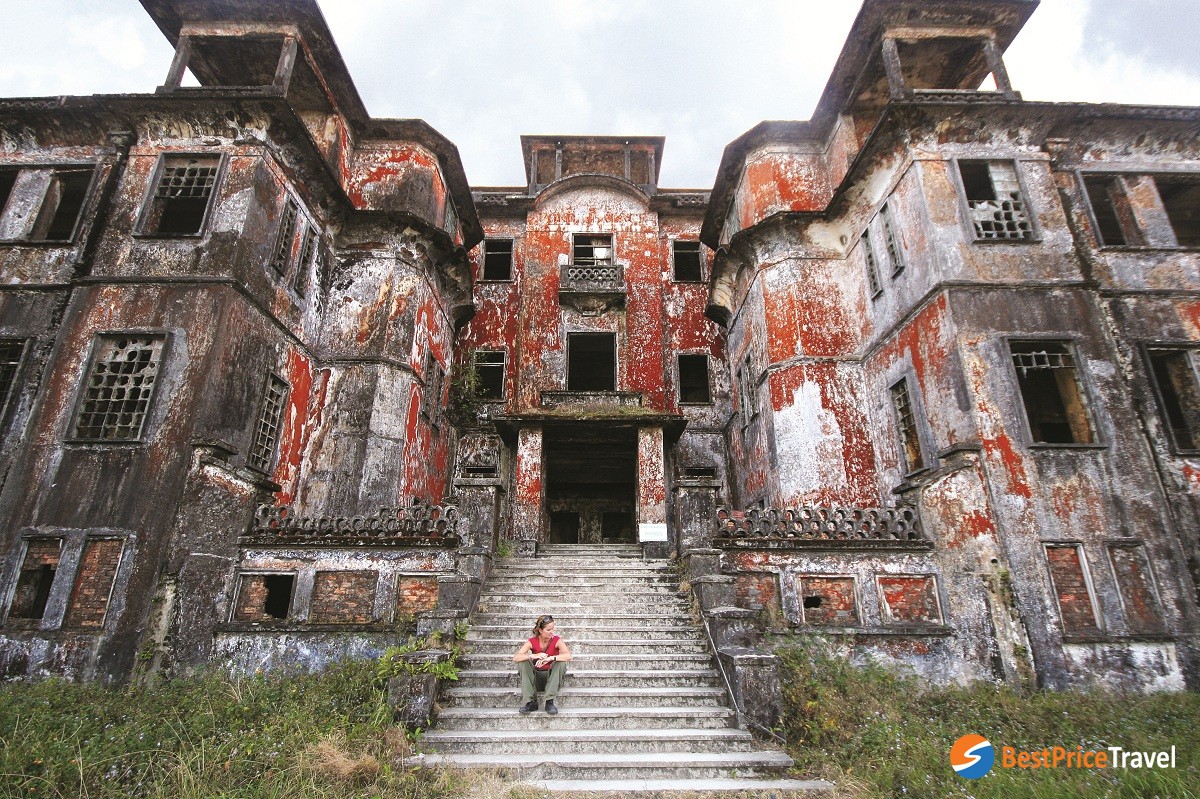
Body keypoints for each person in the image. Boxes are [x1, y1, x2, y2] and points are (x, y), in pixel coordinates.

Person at [513, 613, 572, 715]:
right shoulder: (532, 641)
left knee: (561, 662)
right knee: (523, 662)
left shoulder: (556, 640)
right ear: (540, 630)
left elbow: (568, 656)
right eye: (548, 630)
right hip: (536, 679)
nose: (552, 632)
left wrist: (551, 658)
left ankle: (549, 701)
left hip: (552, 679)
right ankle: (531, 702)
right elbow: (516, 658)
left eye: (553, 629)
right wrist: (532, 656)